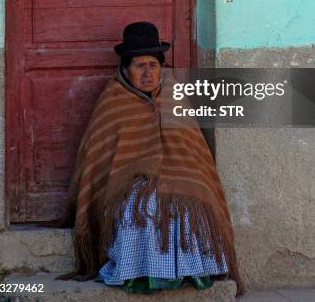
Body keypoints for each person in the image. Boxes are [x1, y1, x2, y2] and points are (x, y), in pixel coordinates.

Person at [57, 22, 244, 296]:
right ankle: (139, 271)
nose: (147, 73)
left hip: (177, 176)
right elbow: (97, 160)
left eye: (153, 65)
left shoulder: (174, 97)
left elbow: (194, 153)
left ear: (161, 68)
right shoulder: (113, 101)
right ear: (125, 69)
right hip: (130, 183)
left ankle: (189, 269)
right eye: (139, 66)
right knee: (143, 203)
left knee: (191, 194)